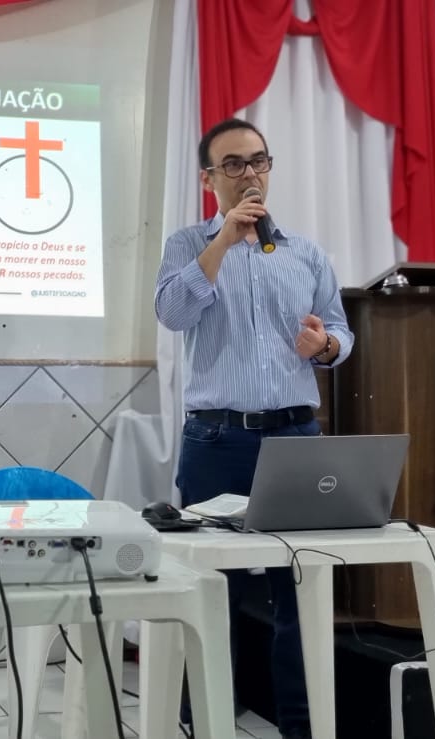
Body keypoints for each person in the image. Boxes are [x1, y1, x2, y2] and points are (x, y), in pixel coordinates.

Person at [154, 118, 354, 738]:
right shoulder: (187, 244)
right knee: (217, 591)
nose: (249, 175)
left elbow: (340, 330)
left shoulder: (304, 252)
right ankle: (206, 719)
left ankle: (301, 726)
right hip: (217, 440)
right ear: (208, 178)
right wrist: (223, 240)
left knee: (300, 586)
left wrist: (325, 348)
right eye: (234, 164)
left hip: (295, 438)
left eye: (258, 161)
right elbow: (173, 313)